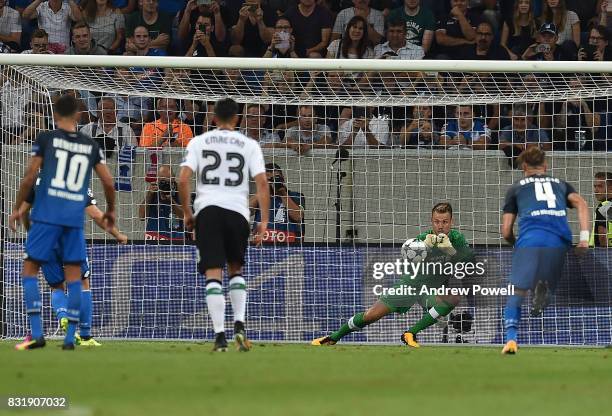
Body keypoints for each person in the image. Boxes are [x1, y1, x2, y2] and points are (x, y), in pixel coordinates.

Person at [8, 93, 115, 350]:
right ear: (79, 115)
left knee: (33, 273)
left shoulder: (46, 142)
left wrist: (16, 211)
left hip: (45, 220)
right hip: (73, 221)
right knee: (78, 278)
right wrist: (111, 212)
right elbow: (108, 183)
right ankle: (75, 337)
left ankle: (37, 333)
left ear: (55, 115)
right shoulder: (89, 146)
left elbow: (28, 179)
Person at [312, 202, 473, 348]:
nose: (440, 226)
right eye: (436, 222)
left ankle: (410, 333)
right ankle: (333, 337)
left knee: (453, 297)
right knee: (370, 316)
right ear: (431, 222)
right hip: (410, 286)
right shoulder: (423, 239)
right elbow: (412, 263)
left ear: (451, 222)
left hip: (429, 292)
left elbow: (470, 262)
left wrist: (450, 250)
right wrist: (428, 248)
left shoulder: (457, 239)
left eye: (444, 222)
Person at [178, 98, 270, 352]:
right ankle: (239, 323)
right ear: (238, 119)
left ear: (214, 118)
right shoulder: (249, 144)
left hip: (208, 211)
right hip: (238, 212)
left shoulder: (199, 142)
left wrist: (188, 212)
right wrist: (263, 221)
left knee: (212, 274)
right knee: (236, 270)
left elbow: (183, 180)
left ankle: (220, 336)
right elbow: (262, 183)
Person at [501, 147, 589, 354]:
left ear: (523, 167)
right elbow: (582, 203)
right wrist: (584, 239)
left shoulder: (515, 188)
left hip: (530, 240)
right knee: (548, 282)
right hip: (559, 240)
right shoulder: (560, 184)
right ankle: (545, 289)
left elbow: (505, 231)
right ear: (545, 166)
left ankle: (511, 339)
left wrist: (516, 243)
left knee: (518, 291)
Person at [18, 181, 127, 346]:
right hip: (69, 237)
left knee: (57, 286)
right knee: (83, 283)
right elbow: (96, 215)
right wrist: (117, 234)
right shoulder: (75, 180)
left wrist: (30, 230)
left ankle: (63, 317)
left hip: (45, 240)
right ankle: (85, 335)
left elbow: (23, 211)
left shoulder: (36, 181)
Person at [250, 163, 305, 244]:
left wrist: (282, 193)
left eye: (276, 177)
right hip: (261, 246)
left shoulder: (295, 196)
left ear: (282, 178)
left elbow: (298, 217)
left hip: (289, 247)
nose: (272, 181)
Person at [139, 164, 186, 242]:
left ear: (173, 179)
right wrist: (149, 194)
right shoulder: (153, 191)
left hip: (175, 240)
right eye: (162, 181)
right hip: (154, 238)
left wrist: (171, 201)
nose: (165, 184)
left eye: (168, 181)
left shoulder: (180, 191)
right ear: (157, 180)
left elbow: (185, 216)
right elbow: (142, 216)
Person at [591, 171, 612, 247]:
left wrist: (605, 255)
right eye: (595, 186)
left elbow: (602, 236)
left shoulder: (604, 207)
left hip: (603, 254)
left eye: (600, 186)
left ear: (611, 189)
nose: (596, 191)